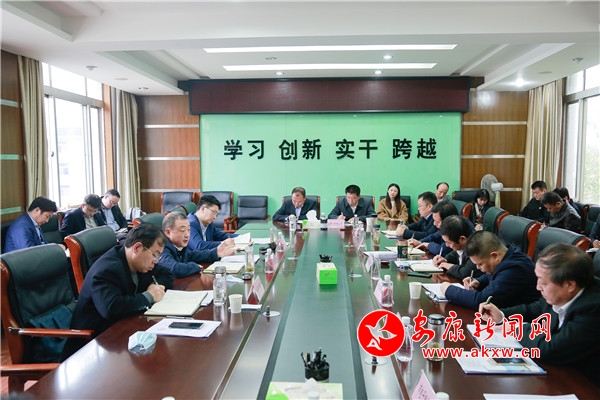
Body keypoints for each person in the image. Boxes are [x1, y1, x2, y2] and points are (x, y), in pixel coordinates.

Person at [480, 243, 600, 383]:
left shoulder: (594, 307)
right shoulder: (559, 291)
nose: (538, 287)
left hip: (585, 382)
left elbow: (551, 349)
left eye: (543, 282)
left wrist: (516, 329)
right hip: (562, 372)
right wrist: (501, 315)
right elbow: (534, 309)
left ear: (570, 285)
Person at [62, 223, 175, 359]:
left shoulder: (139, 262)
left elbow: (167, 274)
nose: (156, 261)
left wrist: (154, 286)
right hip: (93, 346)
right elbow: (111, 308)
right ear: (137, 248)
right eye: (155, 255)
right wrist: (149, 296)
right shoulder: (107, 270)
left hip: (123, 330)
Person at [440, 230, 540, 310]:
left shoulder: (515, 269)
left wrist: (448, 290)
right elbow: (494, 274)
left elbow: (482, 300)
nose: (477, 268)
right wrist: (479, 281)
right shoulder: (508, 254)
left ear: (494, 256)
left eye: (480, 264)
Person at [159, 212, 235, 278]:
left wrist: (216, 252)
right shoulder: (161, 248)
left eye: (188, 230)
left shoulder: (178, 246)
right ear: (168, 232)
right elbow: (175, 269)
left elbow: (192, 255)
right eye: (182, 230)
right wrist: (195, 266)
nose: (187, 235)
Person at [433, 215, 482, 280]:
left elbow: (465, 273)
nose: (446, 245)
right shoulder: (464, 244)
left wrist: (447, 265)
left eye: (449, 242)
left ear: (462, 239)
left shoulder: (476, 249)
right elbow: (456, 253)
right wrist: (445, 260)